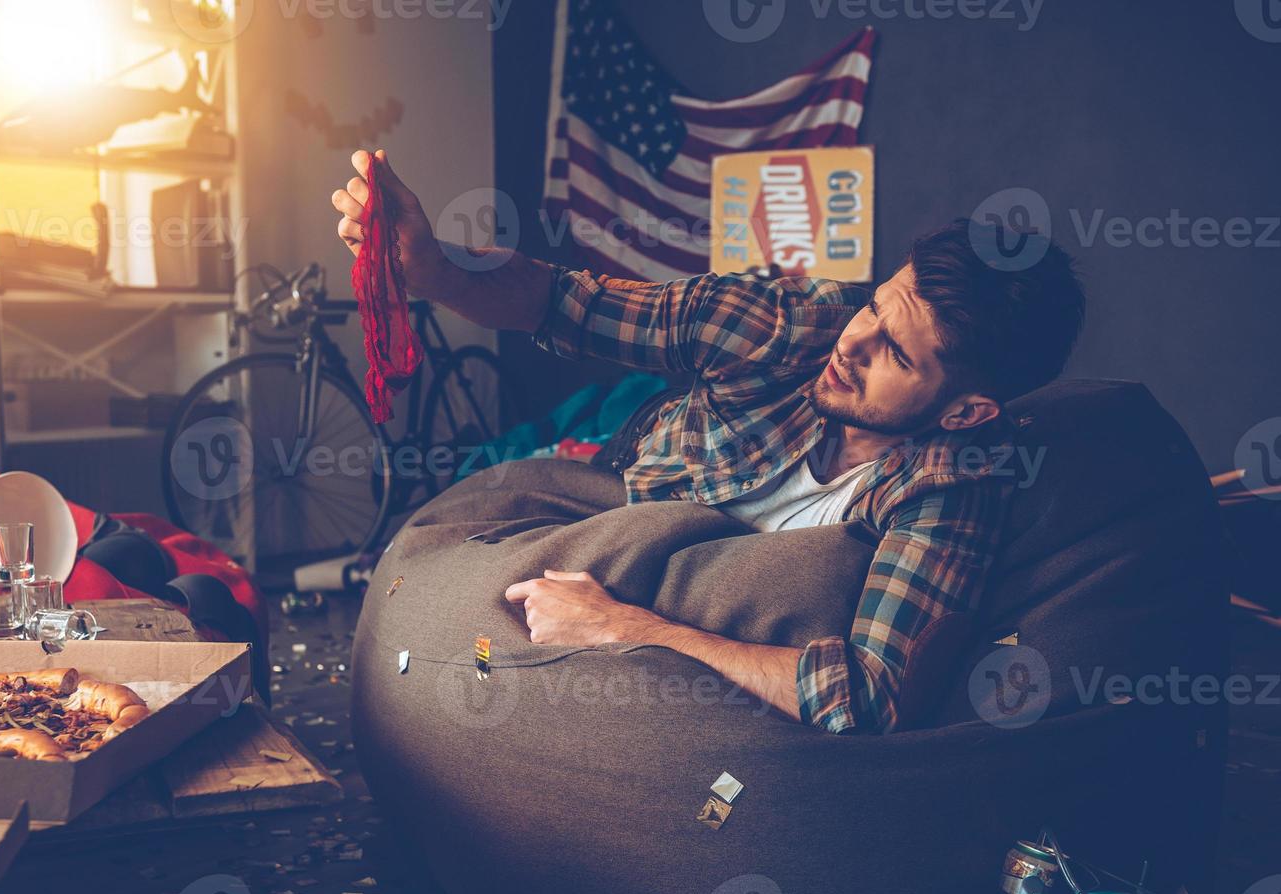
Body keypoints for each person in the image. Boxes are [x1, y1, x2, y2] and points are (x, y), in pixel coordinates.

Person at [332, 149, 1085, 734]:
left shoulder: (952, 480)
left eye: (895, 353)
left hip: (674, 603)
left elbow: (870, 698)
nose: (855, 343)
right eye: (874, 307)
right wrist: (430, 269)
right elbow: (563, 302)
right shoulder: (791, 323)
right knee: (463, 524)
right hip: (640, 463)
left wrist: (631, 629)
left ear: (964, 412)